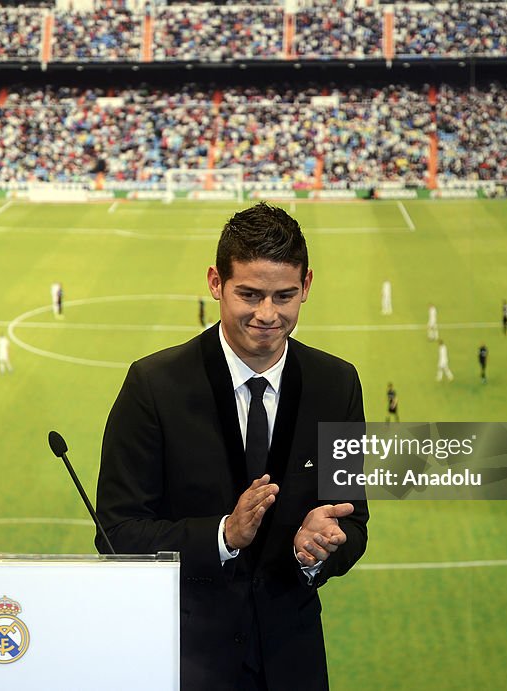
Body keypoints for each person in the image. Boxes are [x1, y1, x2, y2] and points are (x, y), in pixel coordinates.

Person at [95, 202, 368, 691]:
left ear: (307, 286)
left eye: (284, 295)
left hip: (293, 661)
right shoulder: (154, 385)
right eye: (249, 294)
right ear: (215, 283)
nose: (268, 314)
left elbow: (355, 524)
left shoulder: (338, 384)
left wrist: (321, 547)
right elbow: (116, 534)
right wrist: (222, 536)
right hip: (184, 658)